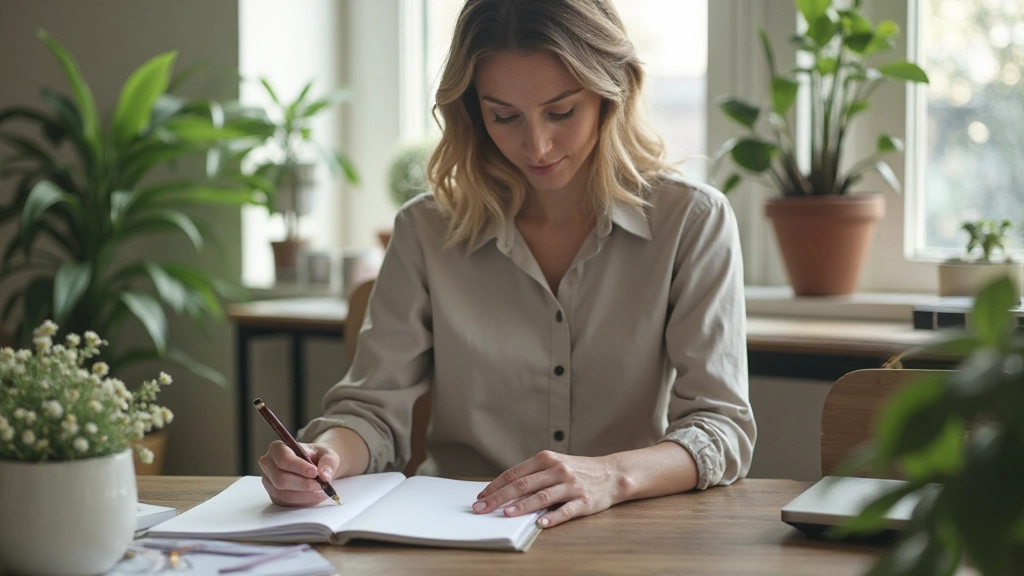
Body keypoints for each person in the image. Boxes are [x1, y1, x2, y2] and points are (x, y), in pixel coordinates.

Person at [259, 0, 755, 529]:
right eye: (505, 116)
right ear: (473, 110)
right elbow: (372, 413)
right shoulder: (425, 231)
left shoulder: (692, 221)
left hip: (622, 530)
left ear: (614, 93)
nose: (536, 145)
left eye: (561, 112)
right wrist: (326, 455)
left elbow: (719, 428)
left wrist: (609, 475)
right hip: (459, 526)